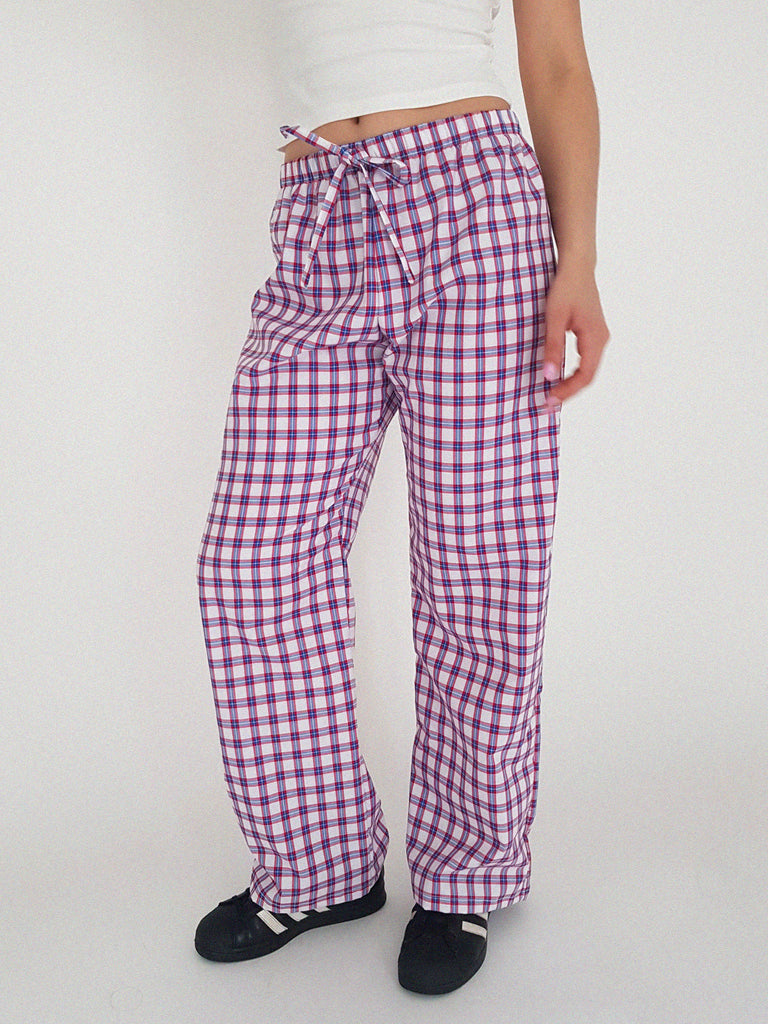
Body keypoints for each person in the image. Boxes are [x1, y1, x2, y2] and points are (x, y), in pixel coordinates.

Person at [194, 0, 610, 996]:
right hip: (317, 209)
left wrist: (580, 260)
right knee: (254, 565)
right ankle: (319, 866)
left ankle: (465, 874)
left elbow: (556, 63)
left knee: (478, 572)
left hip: (474, 207)